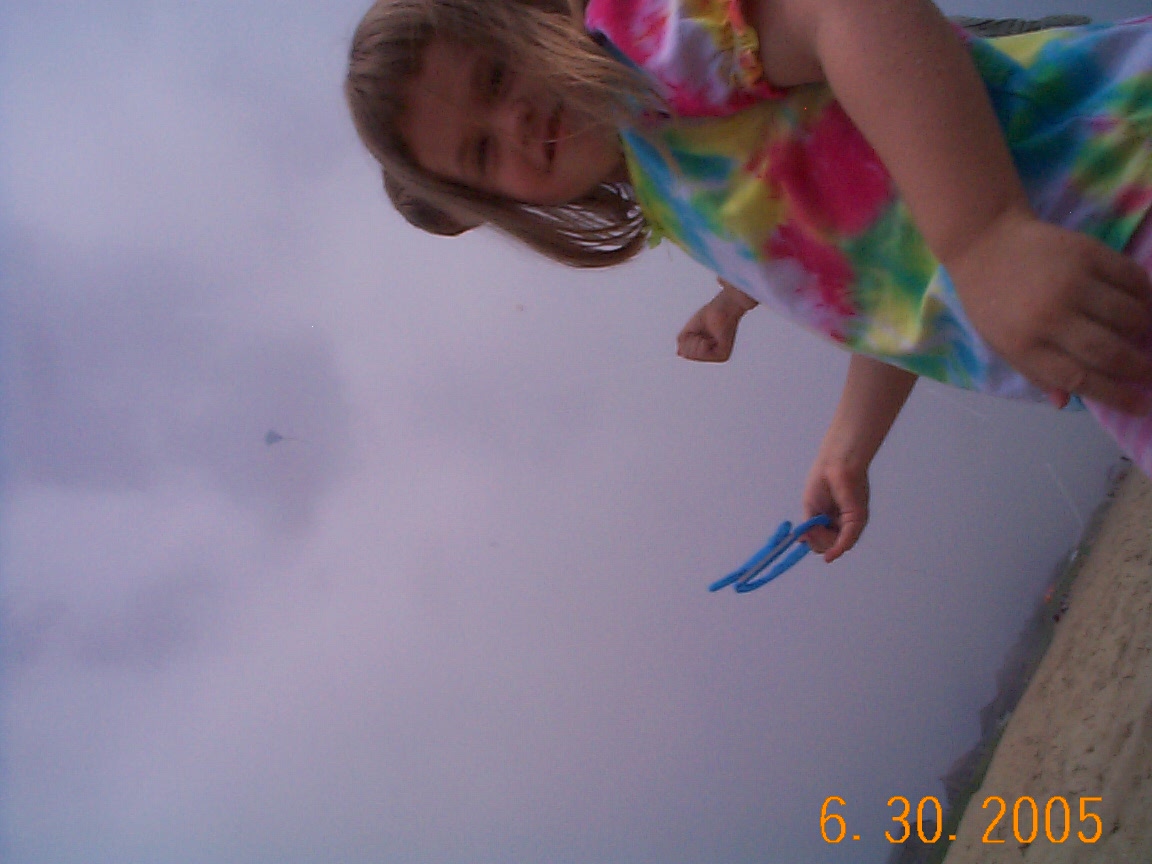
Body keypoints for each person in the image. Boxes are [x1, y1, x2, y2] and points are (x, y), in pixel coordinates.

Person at [345, 0, 1152, 561]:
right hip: (1090, 322)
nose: (512, 123)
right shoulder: (671, 183)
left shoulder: (648, 38)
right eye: (482, 152)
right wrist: (848, 447)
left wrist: (986, 238)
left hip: (1117, 181)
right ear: (504, 207)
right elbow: (899, 282)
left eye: (493, 79)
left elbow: (852, 13)